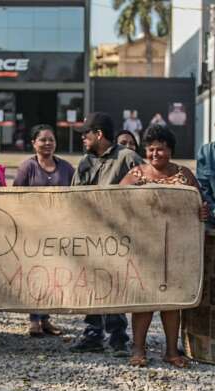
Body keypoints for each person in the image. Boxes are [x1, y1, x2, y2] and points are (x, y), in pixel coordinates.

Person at [120, 124, 208, 368]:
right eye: (150, 150)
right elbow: (116, 202)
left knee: (172, 301)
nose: (154, 154)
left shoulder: (184, 175)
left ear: (170, 150)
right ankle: (138, 350)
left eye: (160, 149)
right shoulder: (136, 175)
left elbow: (198, 204)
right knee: (144, 301)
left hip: (177, 249)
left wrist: (201, 211)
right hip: (145, 249)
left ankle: (171, 351)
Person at [70, 112, 144, 356]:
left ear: (98, 134)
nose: (83, 139)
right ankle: (92, 333)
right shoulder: (85, 162)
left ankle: (118, 336)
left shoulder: (128, 158)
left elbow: (146, 191)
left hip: (119, 236)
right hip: (90, 235)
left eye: (86, 134)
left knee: (114, 283)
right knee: (92, 282)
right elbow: (72, 196)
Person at [13, 124, 75, 337]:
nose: (47, 143)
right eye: (42, 140)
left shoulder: (66, 167)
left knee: (53, 275)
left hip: (58, 231)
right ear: (34, 143)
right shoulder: (26, 167)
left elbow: (77, 196)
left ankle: (47, 318)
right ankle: (34, 319)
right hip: (33, 231)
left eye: (51, 139)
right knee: (35, 274)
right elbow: (15, 198)